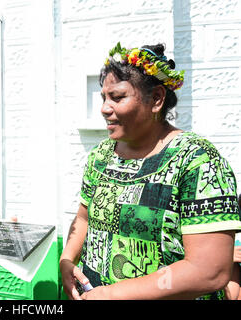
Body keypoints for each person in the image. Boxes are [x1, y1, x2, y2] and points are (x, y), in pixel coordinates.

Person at [60, 42, 241, 300]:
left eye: (117, 97)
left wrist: (112, 295)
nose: (104, 108)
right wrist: (67, 259)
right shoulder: (101, 155)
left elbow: (210, 270)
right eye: (103, 97)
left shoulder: (196, 160)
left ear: (156, 99)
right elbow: (84, 218)